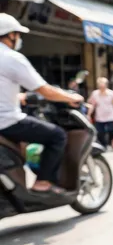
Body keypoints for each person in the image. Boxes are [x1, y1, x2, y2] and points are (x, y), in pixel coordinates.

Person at [0, 14, 83, 193]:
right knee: (57, 136)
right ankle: (43, 181)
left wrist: (20, 97)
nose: (19, 39)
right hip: (6, 121)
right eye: (17, 34)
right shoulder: (11, 58)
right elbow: (44, 90)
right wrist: (71, 98)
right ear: (10, 35)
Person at [87, 77, 113, 149]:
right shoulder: (95, 94)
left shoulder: (111, 93)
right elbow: (92, 105)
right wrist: (89, 114)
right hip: (99, 117)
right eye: (100, 86)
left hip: (110, 116)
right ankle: (103, 146)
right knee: (100, 133)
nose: (102, 87)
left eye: (103, 85)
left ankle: (111, 142)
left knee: (111, 131)